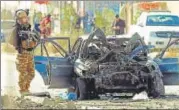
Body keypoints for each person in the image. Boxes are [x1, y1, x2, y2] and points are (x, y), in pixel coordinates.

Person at [8, 9, 37, 95]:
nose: (26, 19)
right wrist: (20, 44)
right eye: (24, 18)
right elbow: (12, 42)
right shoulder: (17, 29)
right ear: (19, 19)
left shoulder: (28, 28)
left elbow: (33, 41)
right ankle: (23, 90)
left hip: (29, 53)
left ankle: (26, 89)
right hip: (22, 54)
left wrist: (33, 40)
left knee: (31, 73)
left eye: (26, 17)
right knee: (23, 73)